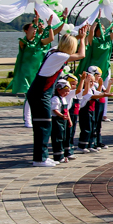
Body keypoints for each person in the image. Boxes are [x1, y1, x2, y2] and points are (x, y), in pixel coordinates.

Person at [27, 29, 86, 167]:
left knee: (44, 124)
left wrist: (78, 37)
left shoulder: (54, 51)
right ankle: (39, 159)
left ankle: (41, 156)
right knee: (43, 125)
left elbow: (67, 44)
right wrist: (82, 39)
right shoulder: (59, 55)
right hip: (40, 93)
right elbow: (81, 55)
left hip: (42, 93)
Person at [12, 14, 65, 128]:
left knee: (40, 95)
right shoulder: (23, 41)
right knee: (29, 96)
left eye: (39, 25)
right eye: (34, 27)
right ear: (27, 30)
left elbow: (51, 37)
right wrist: (35, 22)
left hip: (39, 70)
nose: (37, 27)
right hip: (27, 72)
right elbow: (31, 34)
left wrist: (61, 20)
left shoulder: (41, 42)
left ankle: (40, 115)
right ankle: (27, 119)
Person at [82, 15, 113, 124]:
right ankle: (90, 111)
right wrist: (96, 19)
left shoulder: (107, 40)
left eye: (104, 29)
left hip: (105, 68)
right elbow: (91, 31)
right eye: (101, 29)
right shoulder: (93, 40)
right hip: (94, 70)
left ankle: (104, 114)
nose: (103, 31)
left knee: (104, 91)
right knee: (92, 91)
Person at [50, 80, 74, 164]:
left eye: (68, 91)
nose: (67, 93)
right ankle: (58, 156)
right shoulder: (55, 99)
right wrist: (61, 116)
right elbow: (55, 109)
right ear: (58, 89)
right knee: (58, 138)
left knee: (64, 137)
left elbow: (66, 110)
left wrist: (69, 120)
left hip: (63, 120)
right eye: (65, 91)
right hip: (57, 120)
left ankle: (63, 155)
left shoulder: (64, 99)